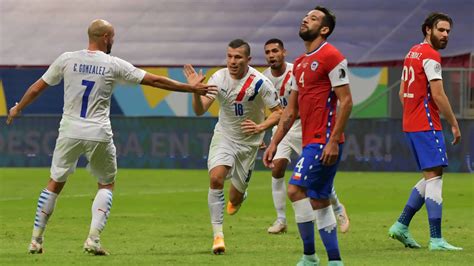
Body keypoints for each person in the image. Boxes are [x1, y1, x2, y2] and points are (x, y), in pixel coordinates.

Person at [6, 19, 216, 256]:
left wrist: (17, 108)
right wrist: (191, 89)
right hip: (98, 132)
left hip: (70, 131)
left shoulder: (67, 59)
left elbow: (37, 87)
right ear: (105, 37)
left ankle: (35, 240)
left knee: (54, 183)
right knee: (106, 183)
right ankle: (93, 239)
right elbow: (155, 81)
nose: (114, 40)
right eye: (113, 36)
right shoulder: (113, 64)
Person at [263, 6, 352, 266]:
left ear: (324, 29)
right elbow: (290, 111)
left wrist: (333, 140)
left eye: (313, 18)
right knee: (320, 200)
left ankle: (310, 256)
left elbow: (346, 101)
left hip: (324, 141)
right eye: (306, 16)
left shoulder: (332, 55)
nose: (305, 19)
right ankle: (334, 261)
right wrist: (275, 142)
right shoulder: (299, 65)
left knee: (294, 189)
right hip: (311, 140)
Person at [183, 39, 282, 255]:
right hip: (225, 136)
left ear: (248, 59)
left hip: (249, 144)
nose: (232, 61)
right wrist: (195, 91)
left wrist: (261, 126)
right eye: (229, 56)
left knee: (234, 200)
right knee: (216, 177)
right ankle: (218, 236)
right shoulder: (219, 78)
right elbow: (200, 110)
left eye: (237, 57)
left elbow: (278, 112)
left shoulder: (260, 83)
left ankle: (240, 195)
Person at [388, 12, 462, 251]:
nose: (445, 35)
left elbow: (401, 93)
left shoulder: (413, 52)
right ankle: (436, 239)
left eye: (448, 31)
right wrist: (454, 123)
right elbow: (438, 94)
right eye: (441, 30)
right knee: (435, 178)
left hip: (411, 122)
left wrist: (413, 111)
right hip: (427, 124)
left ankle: (401, 225)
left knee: (431, 175)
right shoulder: (431, 55)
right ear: (428, 29)